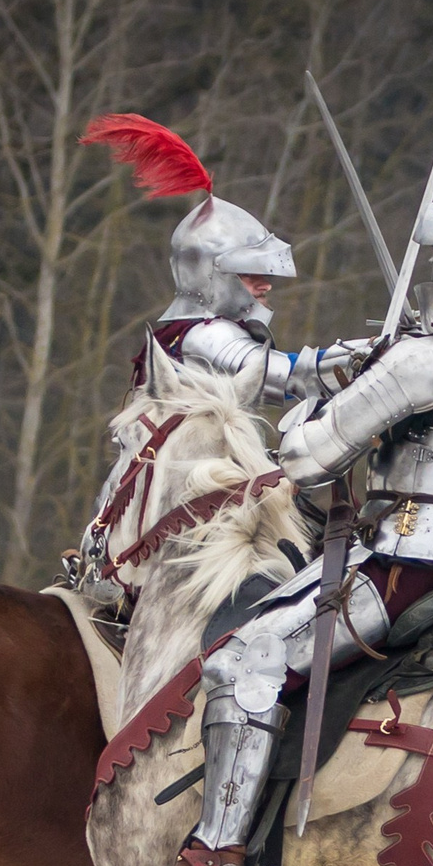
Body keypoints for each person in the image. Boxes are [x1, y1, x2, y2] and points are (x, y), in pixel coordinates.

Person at [116, 202, 433, 866]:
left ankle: (216, 853)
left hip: (407, 565)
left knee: (244, 660)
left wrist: (346, 389)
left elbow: (305, 456)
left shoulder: (429, 359)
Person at [69, 115, 364, 609]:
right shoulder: (206, 336)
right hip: (179, 505)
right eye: (252, 275)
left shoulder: (192, 331)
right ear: (214, 274)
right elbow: (287, 375)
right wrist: (370, 357)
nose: (265, 285)